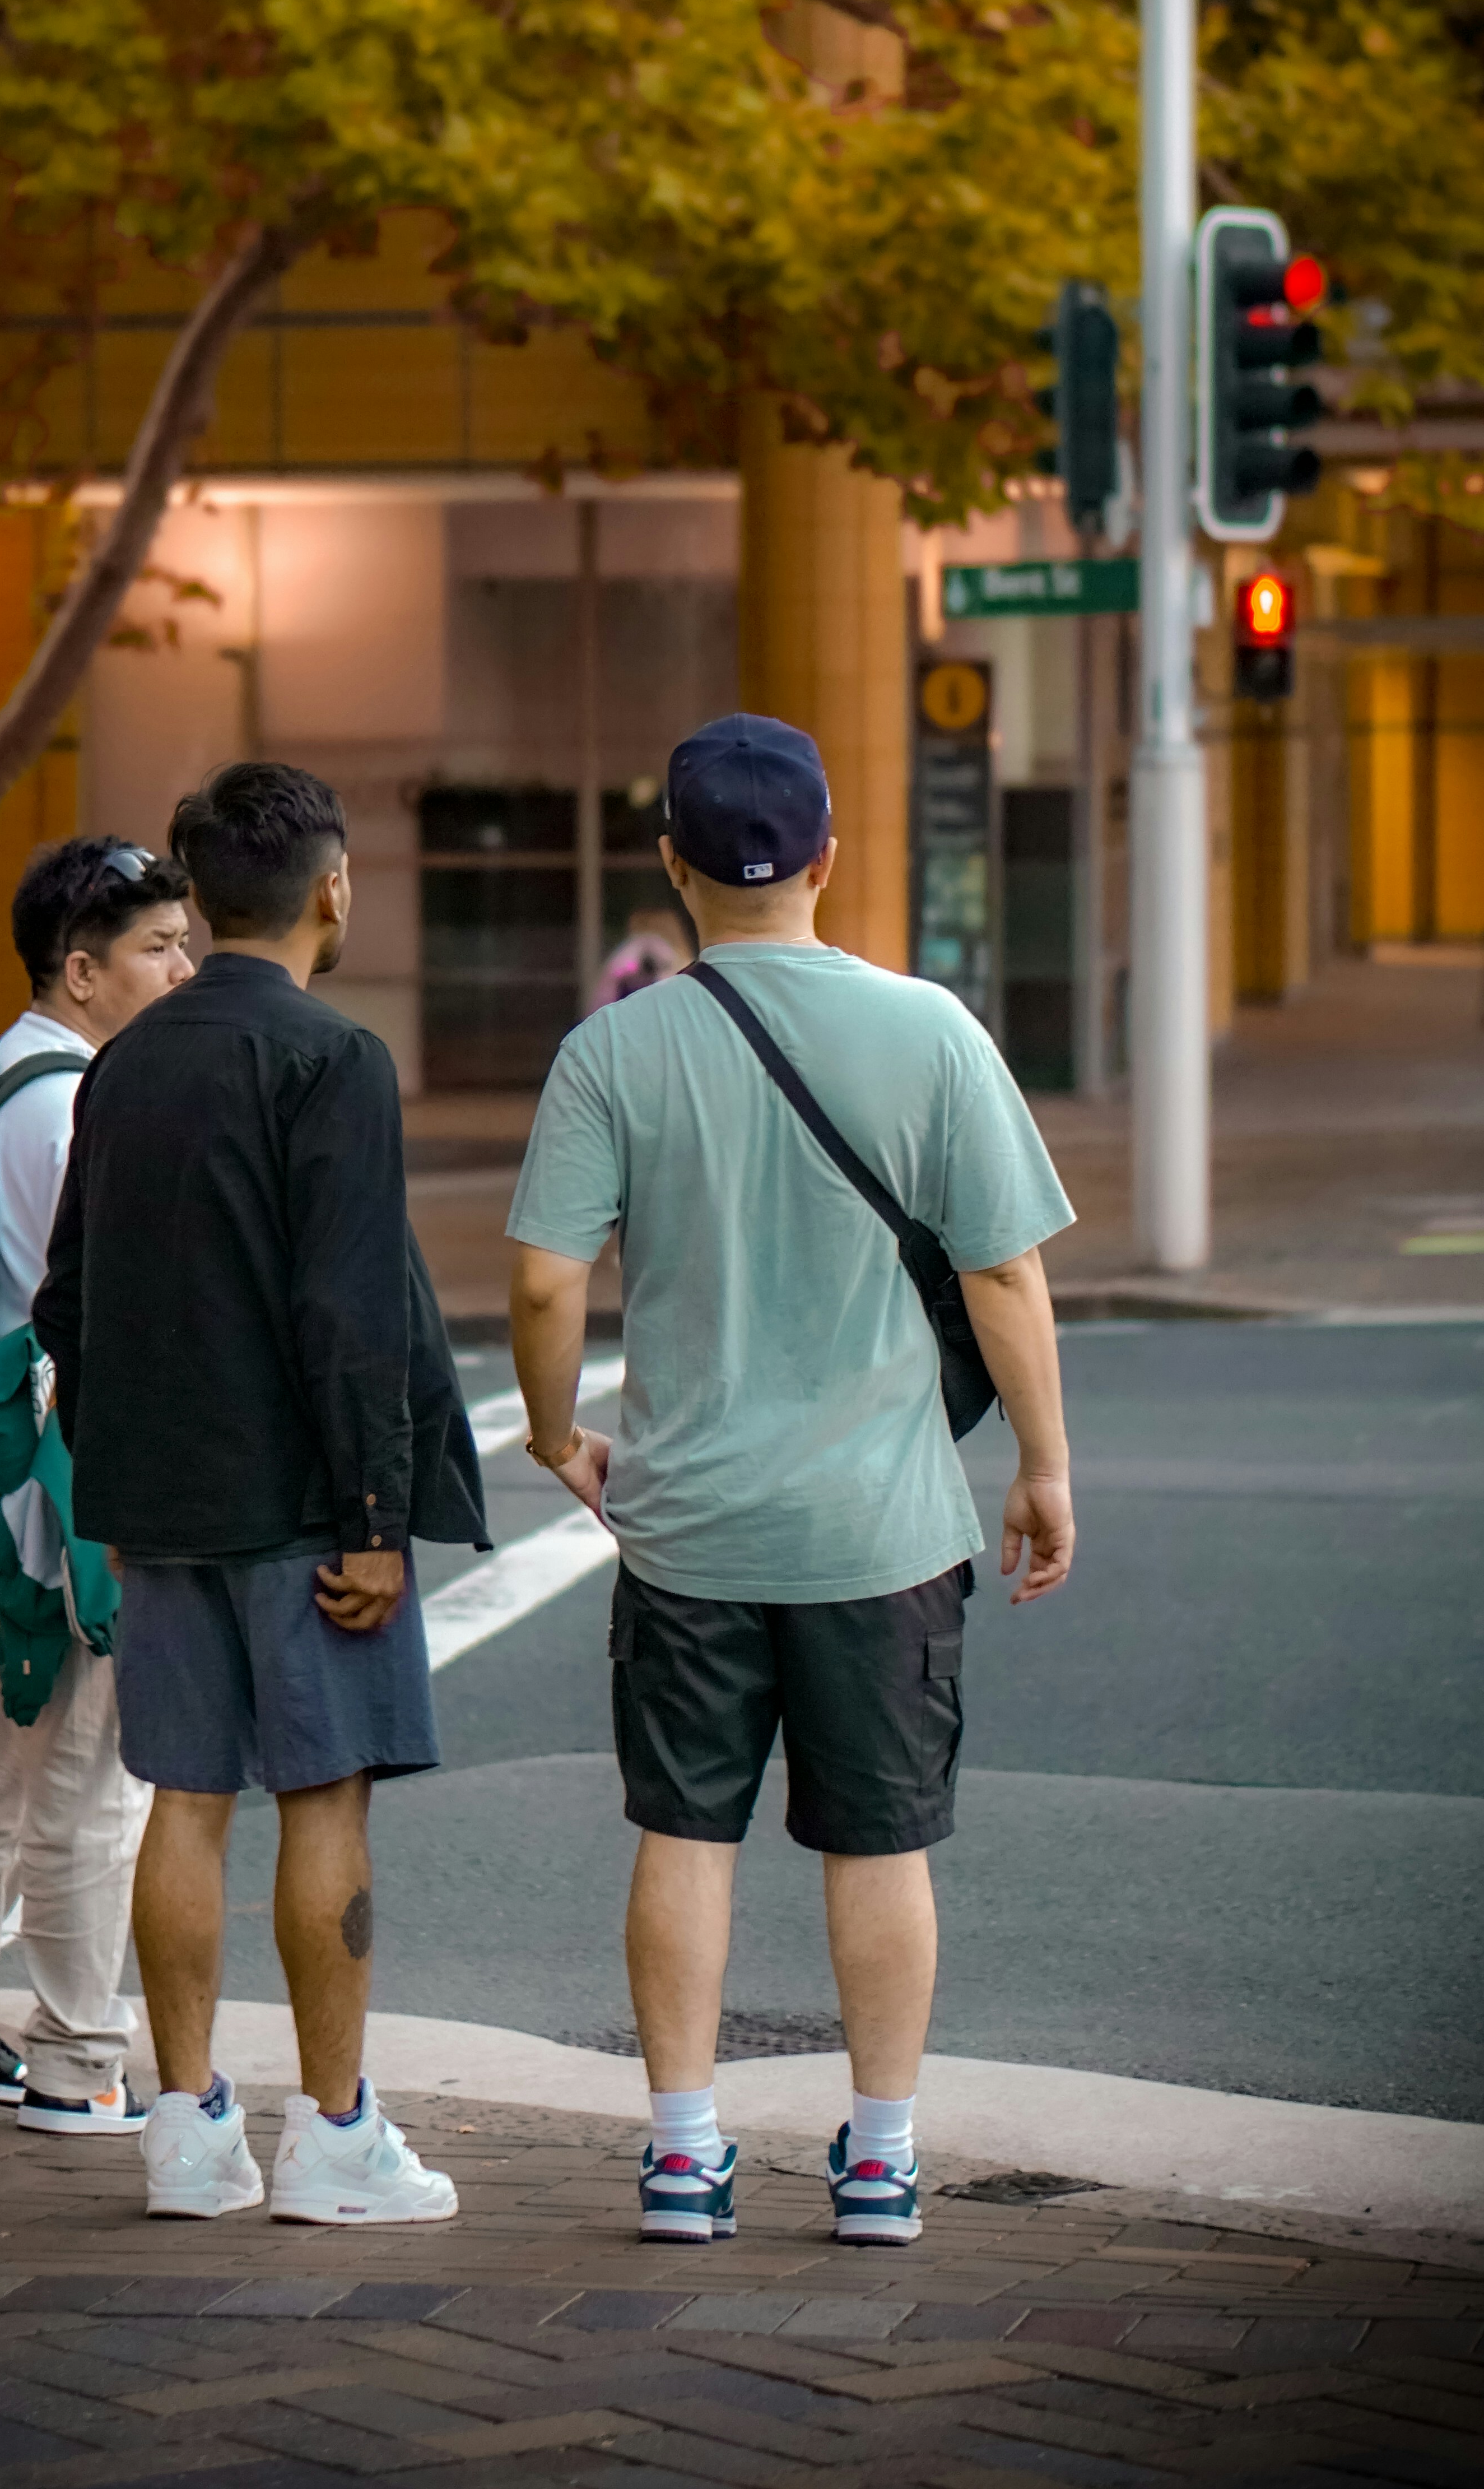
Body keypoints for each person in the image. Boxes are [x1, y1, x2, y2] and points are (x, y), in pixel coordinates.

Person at [507, 713, 1076, 2251]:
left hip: (683, 1529)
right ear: (828, 856)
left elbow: (546, 1285)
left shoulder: (611, 1051)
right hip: (882, 1530)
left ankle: (683, 2157)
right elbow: (1005, 1278)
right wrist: (1039, 1461)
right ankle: (880, 2158)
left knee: (683, 1834)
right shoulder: (933, 1033)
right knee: (876, 1842)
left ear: (670, 867)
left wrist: (562, 1439)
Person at [34, 759, 488, 2226]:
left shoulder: (123, 1066)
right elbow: (349, 1309)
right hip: (302, 1510)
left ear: (201, 893)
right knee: (322, 1802)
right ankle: (336, 2137)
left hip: (158, 1498)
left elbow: (67, 1303)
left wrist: (116, 1476)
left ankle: (185, 2130)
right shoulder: (332, 1060)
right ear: (332, 885)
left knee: (183, 1798)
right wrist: (375, 1519)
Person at [0, 835, 193, 2132]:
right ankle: (75, 2058)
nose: (183, 968)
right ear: (80, 970)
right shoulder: (74, 1106)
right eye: (159, 948)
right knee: (88, 1786)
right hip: (49, 1506)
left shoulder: (4, 1070)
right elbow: (116, 1312)